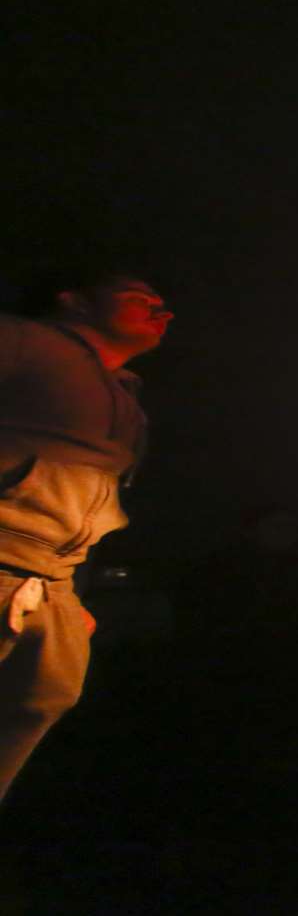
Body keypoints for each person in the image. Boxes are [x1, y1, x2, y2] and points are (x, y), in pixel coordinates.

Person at [0, 272, 172, 801]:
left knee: (37, 703)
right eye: (136, 298)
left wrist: (75, 594)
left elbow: (92, 506)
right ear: (73, 301)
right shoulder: (26, 343)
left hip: (56, 585)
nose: (158, 309)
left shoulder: (127, 399)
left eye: (161, 304)